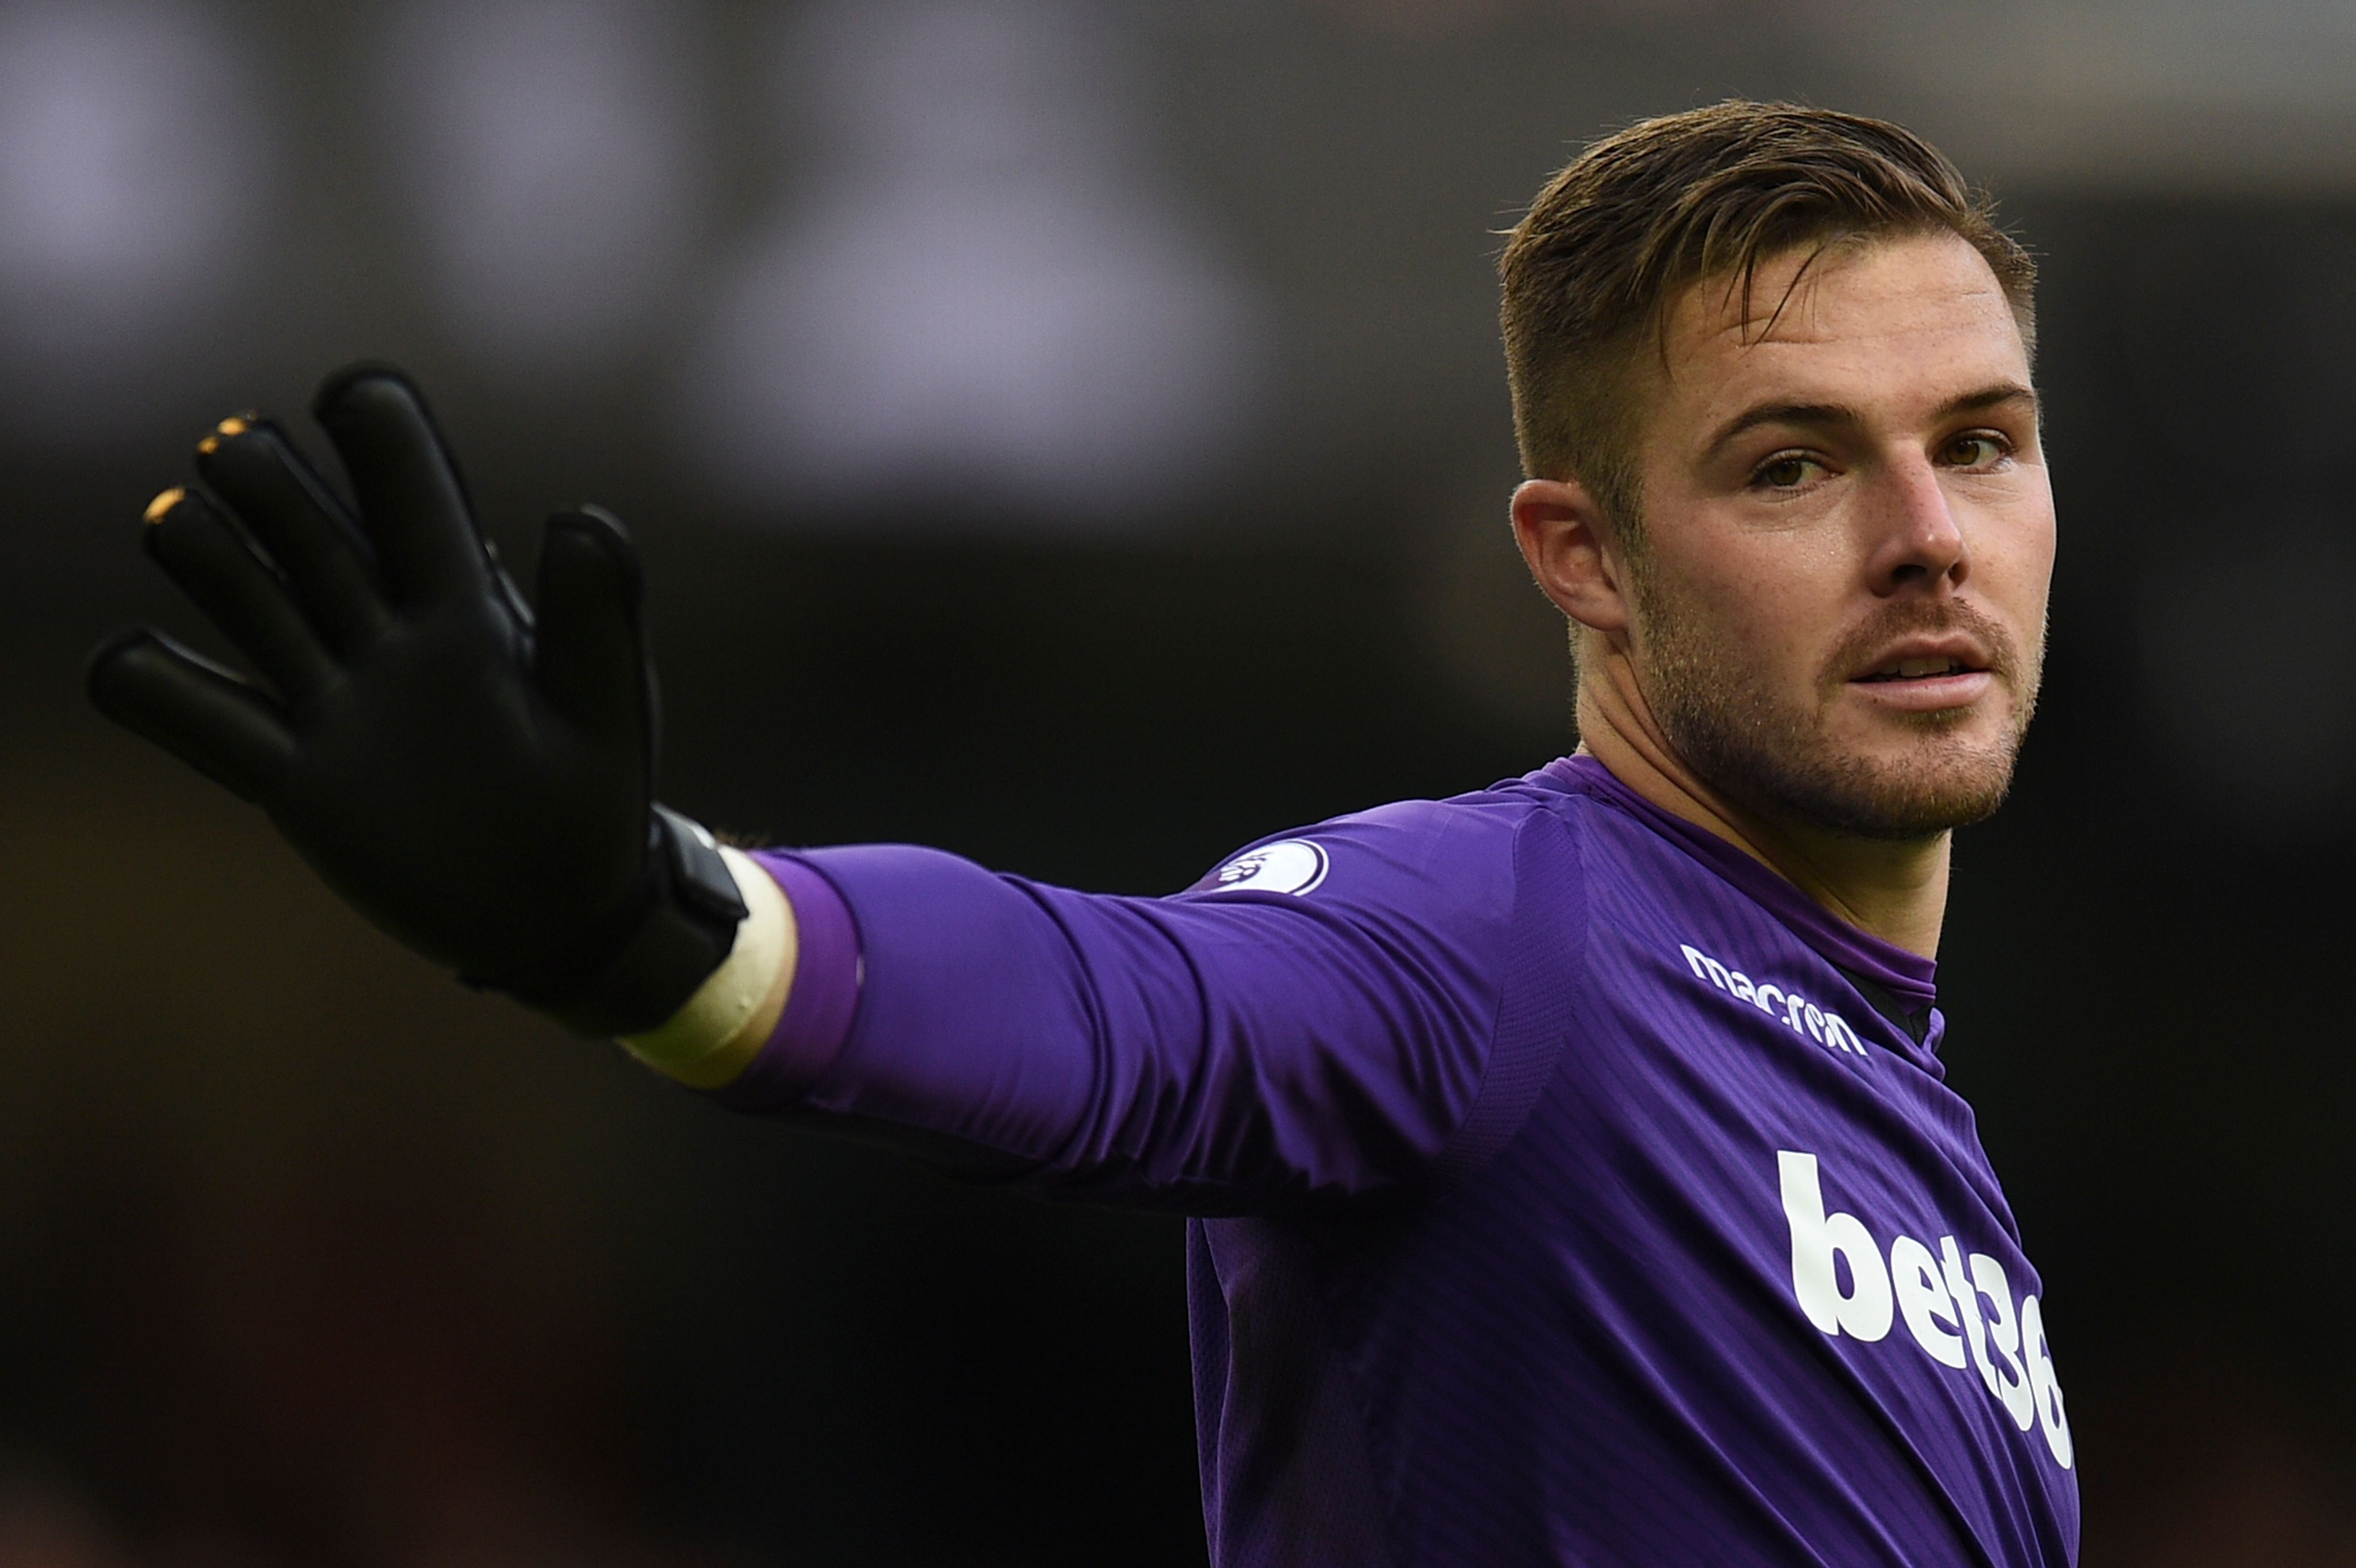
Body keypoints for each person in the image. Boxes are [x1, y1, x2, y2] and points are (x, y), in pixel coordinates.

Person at [87, 100, 2075, 1566]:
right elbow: (1125, 1008)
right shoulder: (1507, 932)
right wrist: (656, 926)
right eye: (1792, 462)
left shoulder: (1923, 1146)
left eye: (1976, 441)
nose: (1922, 537)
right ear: (1585, 560)